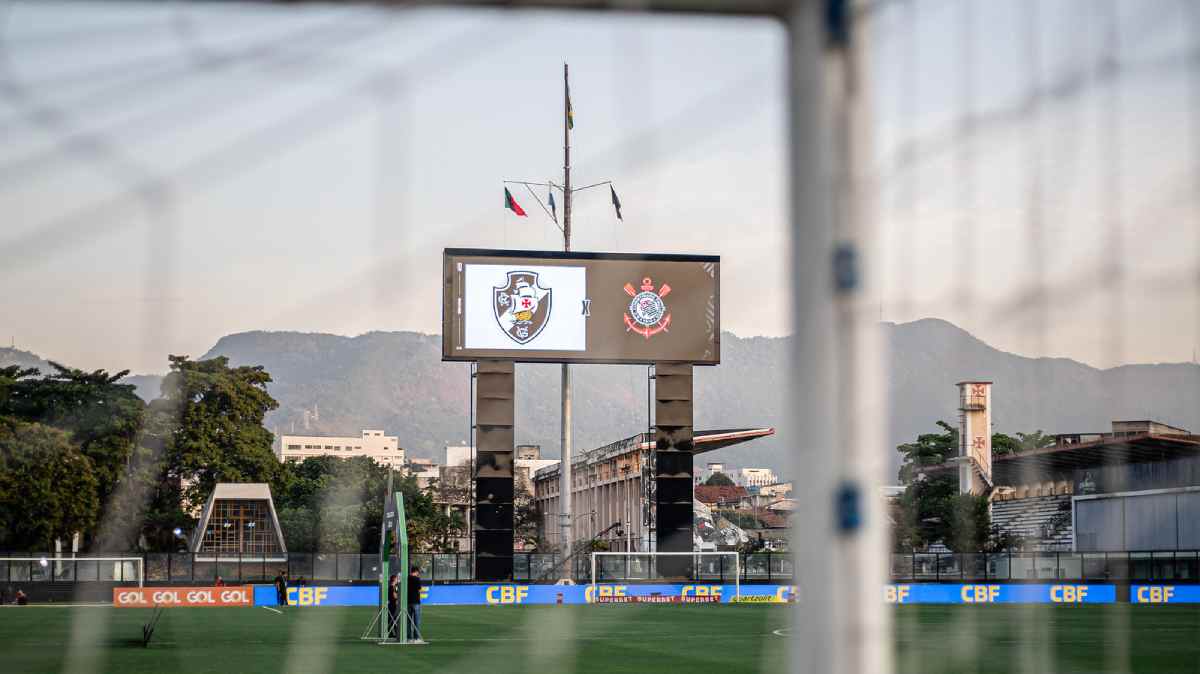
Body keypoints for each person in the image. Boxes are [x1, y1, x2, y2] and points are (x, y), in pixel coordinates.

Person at [406, 566, 423, 642]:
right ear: (416, 571)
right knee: (417, 621)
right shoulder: (417, 579)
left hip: (408, 601)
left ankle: (409, 637)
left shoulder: (407, 578)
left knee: (408, 621)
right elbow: (419, 589)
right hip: (416, 601)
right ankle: (417, 638)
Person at [387, 574, 400, 640]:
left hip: (392, 604)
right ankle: (391, 633)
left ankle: (392, 633)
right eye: (397, 579)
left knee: (393, 619)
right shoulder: (392, 587)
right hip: (393, 605)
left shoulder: (394, 587)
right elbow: (394, 596)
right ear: (394, 579)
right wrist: (399, 597)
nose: (398, 580)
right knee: (393, 619)